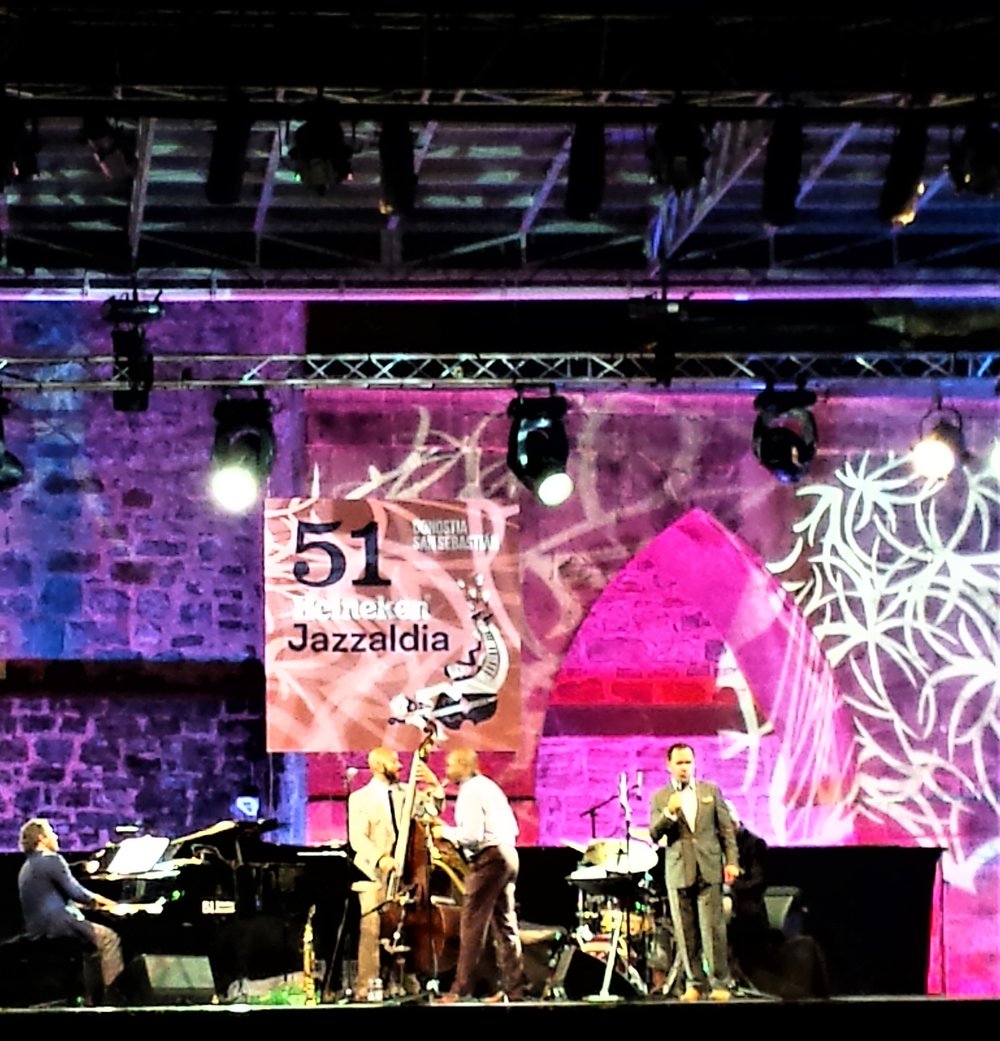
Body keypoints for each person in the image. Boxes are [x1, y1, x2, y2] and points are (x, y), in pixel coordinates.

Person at [347, 744, 443, 1000]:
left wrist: (435, 787)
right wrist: (380, 858)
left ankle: (406, 977)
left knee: (406, 925)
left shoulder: (406, 794)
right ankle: (367, 984)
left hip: (405, 874)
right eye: (394, 762)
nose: (400, 766)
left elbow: (433, 811)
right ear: (377, 765)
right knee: (372, 927)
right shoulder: (359, 798)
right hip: (373, 875)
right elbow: (358, 838)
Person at [431, 747, 525, 1003]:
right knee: (505, 925)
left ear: (463, 765)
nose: (446, 770)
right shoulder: (490, 787)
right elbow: (512, 827)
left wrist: (445, 832)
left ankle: (460, 990)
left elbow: (471, 836)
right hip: (508, 854)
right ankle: (513, 990)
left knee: (471, 925)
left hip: (489, 858)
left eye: (450, 764)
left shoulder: (470, 791)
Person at [648, 743, 739, 1002]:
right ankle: (694, 983)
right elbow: (655, 834)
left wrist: (731, 860)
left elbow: (726, 831)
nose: (684, 768)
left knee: (713, 929)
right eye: (679, 763)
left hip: (708, 867)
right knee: (685, 932)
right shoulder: (661, 797)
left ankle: (720, 982)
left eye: (688, 762)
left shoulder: (710, 791)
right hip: (678, 870)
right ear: (669, 766)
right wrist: (670, 813)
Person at [17, 817, 125, 1001]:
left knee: (92, 948)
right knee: (108, 938)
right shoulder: (52, 859)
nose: (56, 837)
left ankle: (94, 1000)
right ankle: (114, 1000)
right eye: (52, 833)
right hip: (58, 925)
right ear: (42, 838)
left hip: (38, 928)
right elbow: (78, 894)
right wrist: (112, 904)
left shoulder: (27, 866)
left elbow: (58, 897)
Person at [724, 802, 770, 988]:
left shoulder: (754, 844)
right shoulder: (717, 845)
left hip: (746, 903)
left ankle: (736, 974)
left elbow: (758, 881)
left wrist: (732, 886)